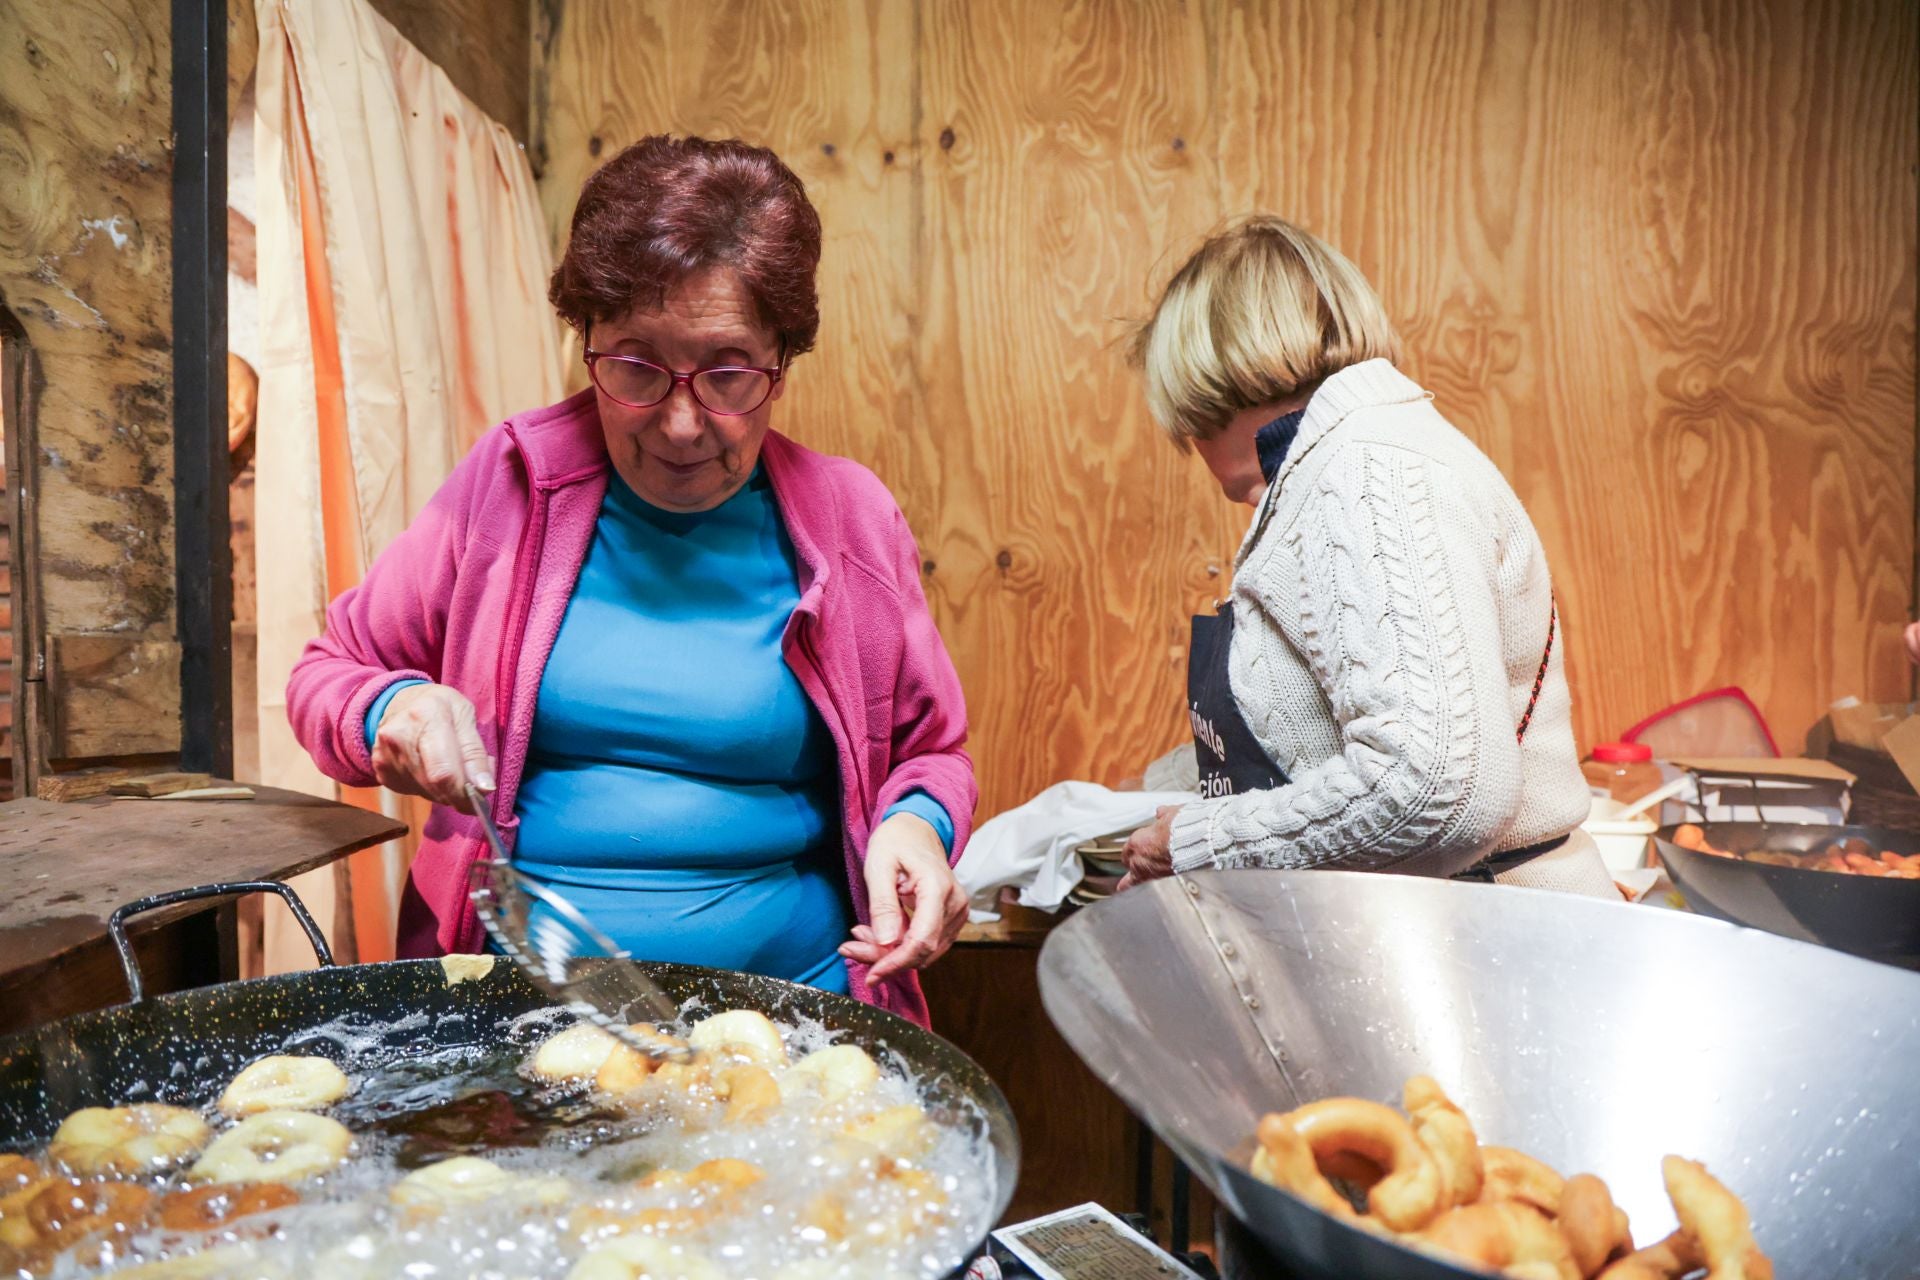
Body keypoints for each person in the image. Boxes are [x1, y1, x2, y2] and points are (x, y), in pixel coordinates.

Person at [287, 135, 976, 1025]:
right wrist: (394, 712)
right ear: (588, 339)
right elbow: (326, 673)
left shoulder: (850, 519)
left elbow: (932, 752)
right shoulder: (510, 484)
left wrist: (918, 824)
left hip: (792, 1010)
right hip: (519, 1013)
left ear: (783, 361)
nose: (684, 424)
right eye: (637, 368)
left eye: (729, 374)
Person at [1118, 216, 1613, 897]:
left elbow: (1437, 791)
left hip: (1484, 942)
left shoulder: (1368, 472)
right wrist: (1142, 800)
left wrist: (1203, 842)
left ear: (1205, 383)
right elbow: (1321, 726)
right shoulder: (1343, 463)